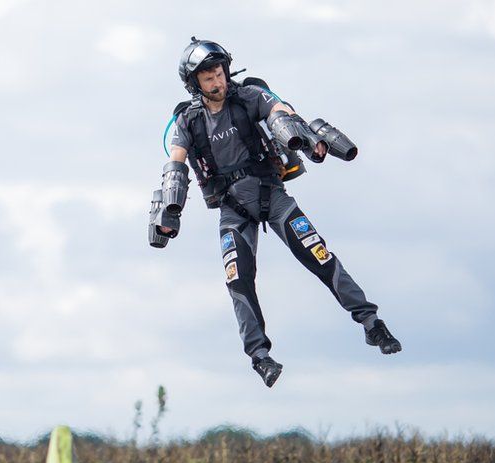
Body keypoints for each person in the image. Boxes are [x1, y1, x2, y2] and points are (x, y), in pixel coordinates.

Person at [148, 38, 401, 388]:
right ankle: (260, 357)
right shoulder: (187, 121)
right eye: (208, 78)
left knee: (319, 255)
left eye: (219, 73)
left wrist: (305, 135)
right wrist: (168, 213)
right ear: (195, 83)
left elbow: (279, 112)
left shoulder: (251, 95)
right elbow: (175, 159)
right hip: (233, 210)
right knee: (238, 280)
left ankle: (372, 323)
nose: (217, 81)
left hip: (273, 196)